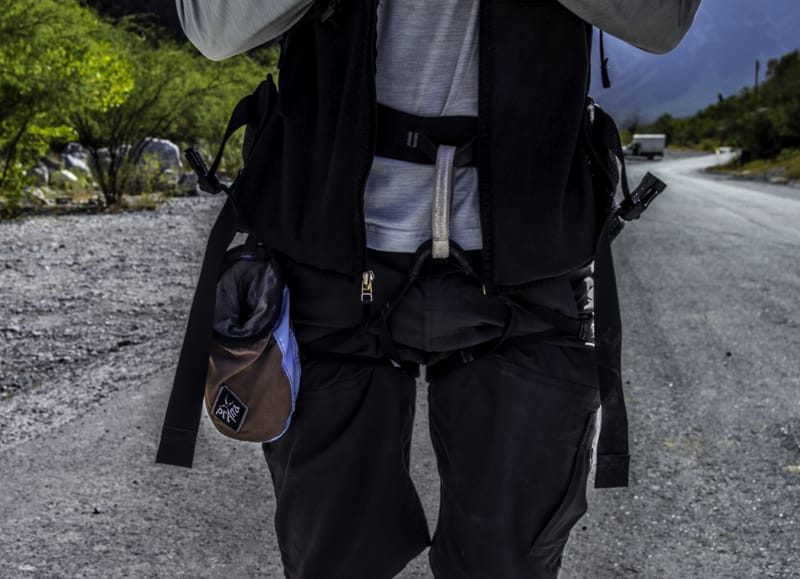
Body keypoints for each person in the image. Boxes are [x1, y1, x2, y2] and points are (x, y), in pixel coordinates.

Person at [174, 1, 701, 577]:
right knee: (331, 561)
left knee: (507, 565)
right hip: (329, 249)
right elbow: (213, 27)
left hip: (528, 254)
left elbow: (662, 21)